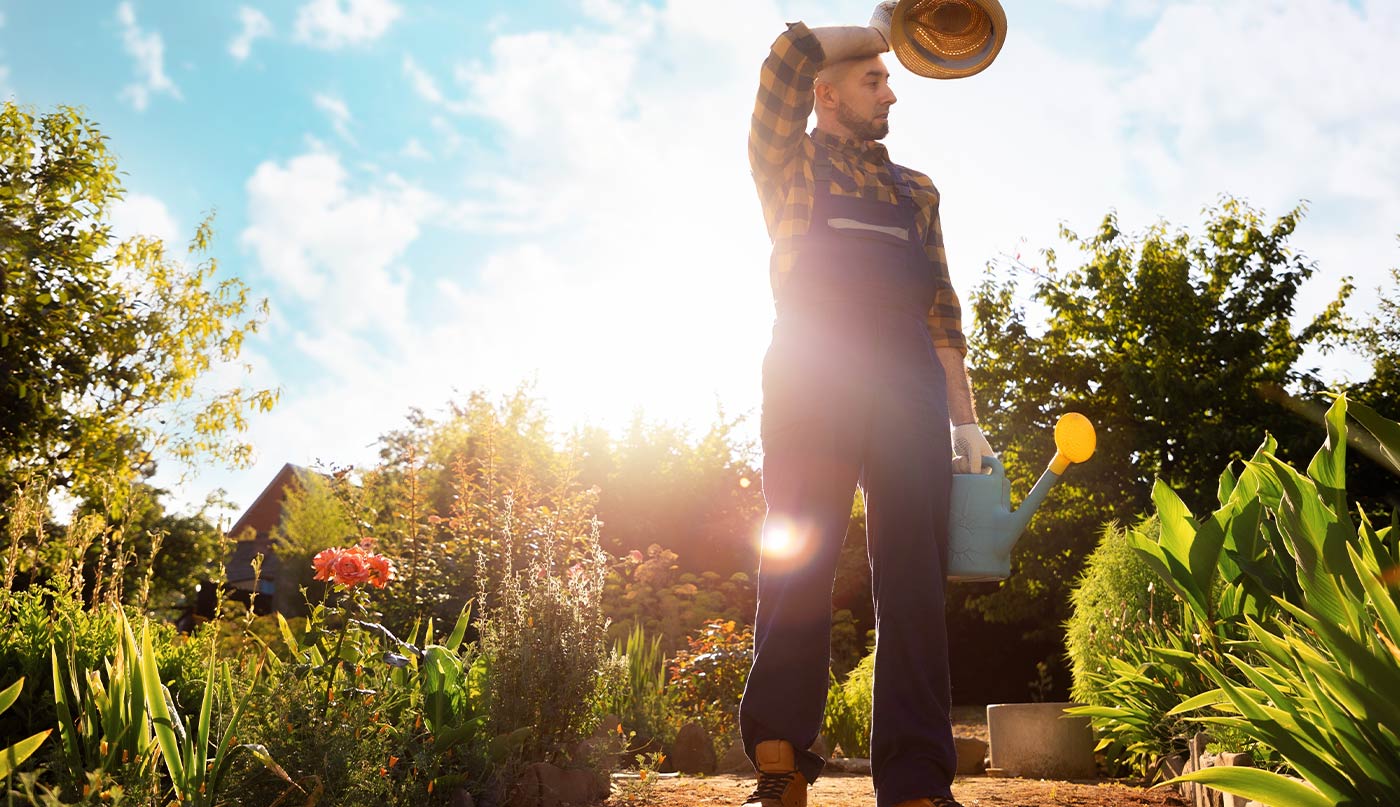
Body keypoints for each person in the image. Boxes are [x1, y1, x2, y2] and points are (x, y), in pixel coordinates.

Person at [738, 4, 996, 807]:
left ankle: (917, 783)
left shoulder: (917, 190)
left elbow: (942, 313)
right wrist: (890, 28)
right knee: (798, 558)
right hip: (813, 372)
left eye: (890, 78)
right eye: (875, 80)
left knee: (913, 575)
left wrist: (967, 419)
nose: (892, 93)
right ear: (828, 95)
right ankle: (781, 768)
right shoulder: (788, 163)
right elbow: (787, 56)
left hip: (907, 377)